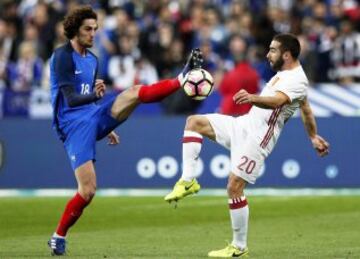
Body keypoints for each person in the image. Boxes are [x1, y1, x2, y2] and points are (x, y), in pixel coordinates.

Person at [47, 6, 202, 256]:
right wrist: (93, 98)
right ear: (74, 30)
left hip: (92, 116)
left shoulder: (92, 59)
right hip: (72, 126)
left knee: (133, 92)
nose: (93, 34)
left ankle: (182, 78)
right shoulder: (62, 57)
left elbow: (88, 99)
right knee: (87, 191)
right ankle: (58, 236)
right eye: (88, 29)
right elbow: (71, 99)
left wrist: (104, 123)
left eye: (96, 29)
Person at [164, 33, 330, 258]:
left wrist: (252, 98)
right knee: (194, 122)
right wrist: (313, 136)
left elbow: (278, 101)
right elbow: (306, 109)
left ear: (287, 54)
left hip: (259, 139)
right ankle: (188, 180)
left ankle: (239, 247)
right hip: (243, 125)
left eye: (273, 50)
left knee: (234, 187)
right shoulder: (283, 74)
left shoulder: (297, 80)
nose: (268, 54)